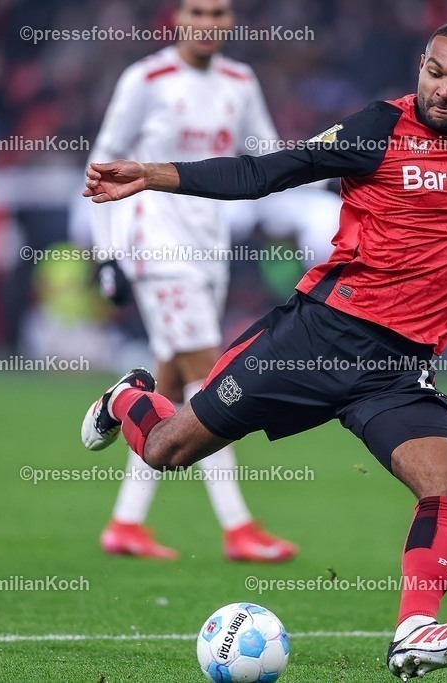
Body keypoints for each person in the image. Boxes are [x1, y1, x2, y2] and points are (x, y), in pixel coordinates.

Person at [78, 21, 447, 679]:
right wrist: (154, 174)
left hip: (397, 369)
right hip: (315, 340)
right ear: (421, 66)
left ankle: (414, 629)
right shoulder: (375, 131)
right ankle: (126, 396)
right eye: (434, 72)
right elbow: (263, 172)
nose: (443, 89)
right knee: (166, 449)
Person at [77, 0, 295, 562]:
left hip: (210, 249)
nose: (209, 21)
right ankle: (238, 526)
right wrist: (108, 255)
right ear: (177, 16)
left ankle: (125, 522)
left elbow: (270, 156)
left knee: (170, 388)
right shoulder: (145, 79)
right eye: (198, 10)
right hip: (158, 245)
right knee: (210, 377)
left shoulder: (240, 82)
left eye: (220, 13)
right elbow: (103, 163)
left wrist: (335, 173)